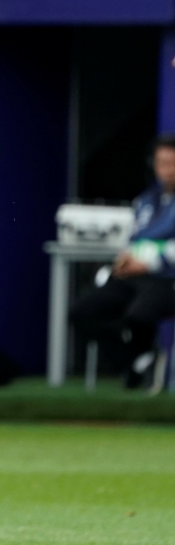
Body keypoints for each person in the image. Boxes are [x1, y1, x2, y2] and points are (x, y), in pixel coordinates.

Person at [71, 135, 175, 389]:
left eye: (172, 163)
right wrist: (125, 259)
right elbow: (134, 239)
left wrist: (151, 263)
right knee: (82, 312)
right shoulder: (145, 201)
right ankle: (134, 361)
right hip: (134, 275)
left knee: (137, 315)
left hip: (167, 279)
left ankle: (138, 365)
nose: (167, 170)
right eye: (162, 163)